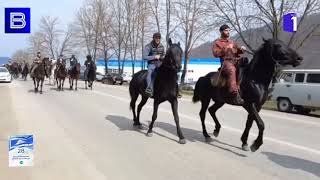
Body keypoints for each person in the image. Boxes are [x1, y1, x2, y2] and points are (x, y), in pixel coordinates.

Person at [212, 24, 247, 105]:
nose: (228, 32)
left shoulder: (231, 42)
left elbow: (237, 51)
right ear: (221, 32)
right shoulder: (217, 42)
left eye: (229, 31)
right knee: (232, 69)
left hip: (235, 60)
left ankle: (247, 88)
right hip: (226, 62)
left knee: (246, 62)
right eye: (226, 30)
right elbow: (215, 54)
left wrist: (241, 50)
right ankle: (234, 93)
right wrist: (226, 48)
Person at [143, 32, 165, 97]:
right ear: (153, 38)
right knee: (150, 73)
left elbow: (163, 55)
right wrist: (154, 57)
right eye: (156, 38)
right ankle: (149, 88)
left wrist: (162, 58)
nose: (158, 39)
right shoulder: (148, 46)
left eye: (159, 38)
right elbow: (144, 57)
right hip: (152, 64)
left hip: (160, 64)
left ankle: (175, 89)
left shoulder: (162, 46)